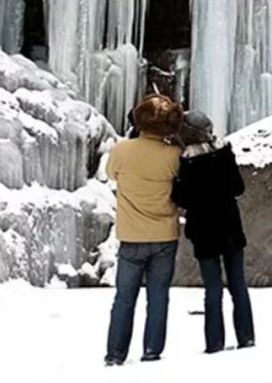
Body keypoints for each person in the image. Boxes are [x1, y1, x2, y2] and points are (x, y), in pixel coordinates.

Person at [104, 93, 185, 366]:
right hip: (165, 235)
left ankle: (115, 354)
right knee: (158, 297)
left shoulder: (122, 150)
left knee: (124, 299)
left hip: (131, 236)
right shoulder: (174, 154)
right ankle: (152, 351)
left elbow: (110, 174)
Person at [171, 111, 255, 353]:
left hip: (204, 231)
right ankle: (246, 338)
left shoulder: (187, 162)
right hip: (229, 227)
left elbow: (181, 198)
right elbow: (238, 187)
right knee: (238, 285)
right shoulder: (224, 153)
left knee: (213, 289)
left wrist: (178, 184)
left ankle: (214, 343)